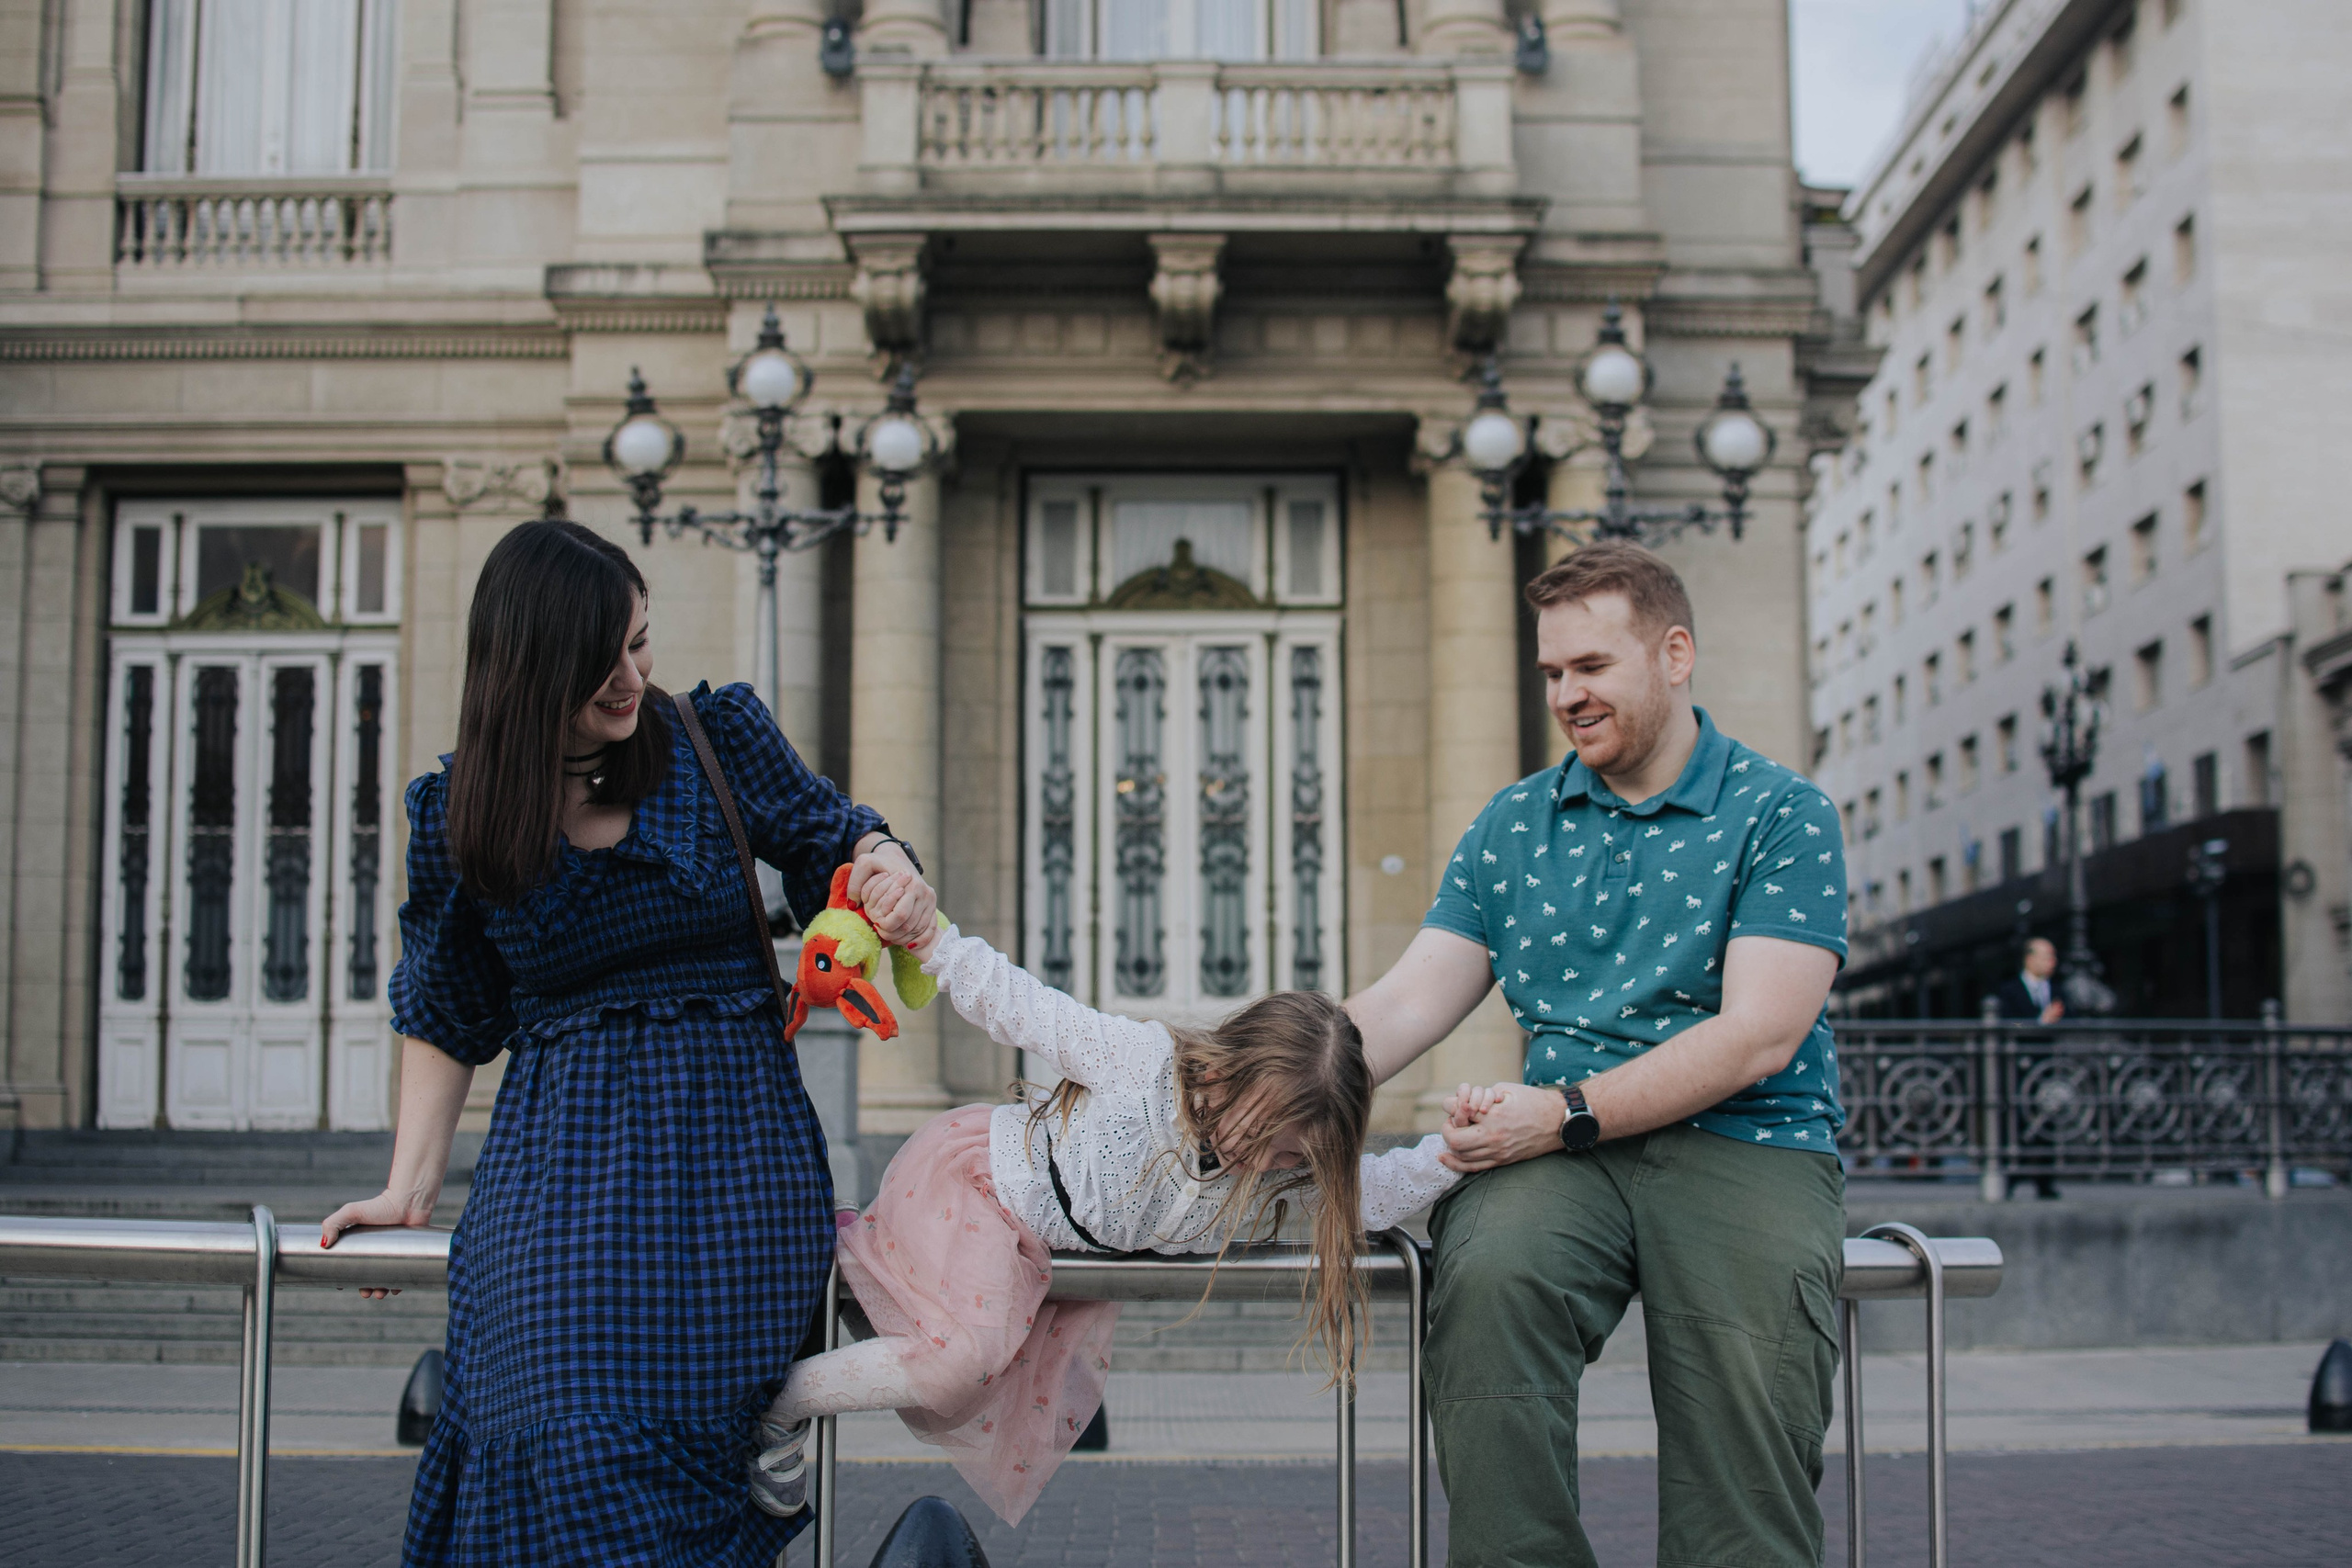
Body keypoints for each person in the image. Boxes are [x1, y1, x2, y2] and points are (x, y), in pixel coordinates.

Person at [319, 519, 935, 1567]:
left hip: (729, 1176)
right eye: (596, 659)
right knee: (549, 1433)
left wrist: (885, 866)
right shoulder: (462, 810)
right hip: (553, 1186)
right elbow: (447, 1010)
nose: (629, 678)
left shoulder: (714, 738)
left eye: (639, 642)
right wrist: (406, 1187)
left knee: (646, 1459)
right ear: (523, 668)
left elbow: (833, 837)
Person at [1345, 541, 1850, 1568]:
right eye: (1551, 672)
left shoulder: (1783, 813)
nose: (1565, 695)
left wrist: (1564, 1109)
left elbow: (1760, 1034)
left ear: (1674, 655)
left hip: (1745, 1142)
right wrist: (1249, 1081)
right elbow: (1403, 1002)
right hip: (1561, 1156)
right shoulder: (1512, 823)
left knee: (1747, 1452)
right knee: (1488, 1293)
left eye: (1590, 666)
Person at [747, 896, 1458, 1527]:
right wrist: (930, 937)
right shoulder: (1141, 1062)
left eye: (1291, 1155)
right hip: (982, 1187)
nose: (1270, 1163)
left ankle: (860, 1252)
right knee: (955, 1365)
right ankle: (777, 1402)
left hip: (1028, 1248)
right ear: (1223, 1071)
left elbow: (1367, 1193)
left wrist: (1454, 1154)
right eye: (1265, 1136)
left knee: (942, 1365)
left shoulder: (1277, 1160)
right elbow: (1021, 1004)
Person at [1993, 936, 2066, 1023]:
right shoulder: (2009, 990)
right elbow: (2009, 1023)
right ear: (2029, 959)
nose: (2053, 962)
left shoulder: (2059, 989)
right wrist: (2041, 1021)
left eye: (2054, 957)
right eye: (2047, 958)